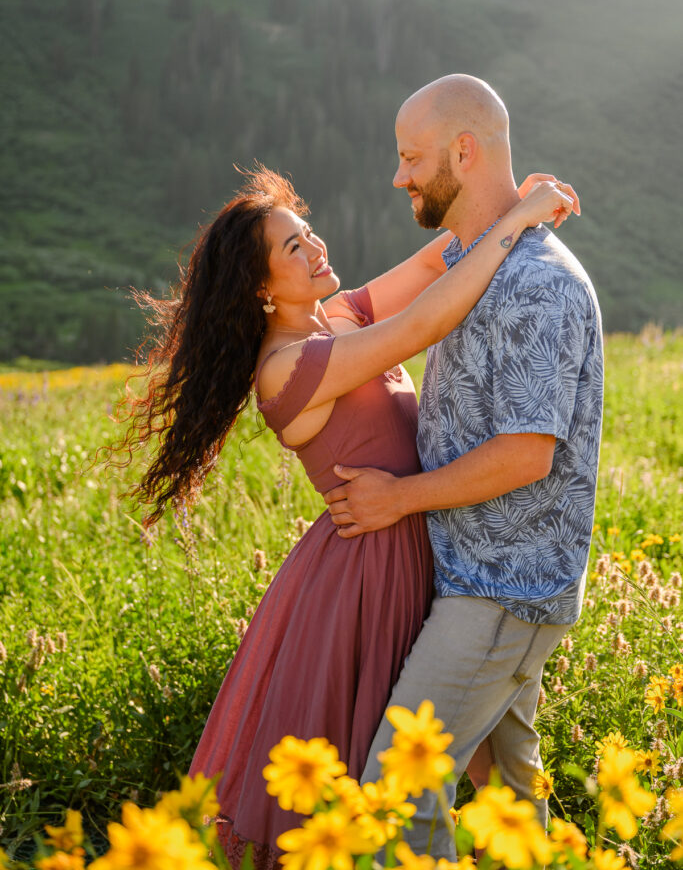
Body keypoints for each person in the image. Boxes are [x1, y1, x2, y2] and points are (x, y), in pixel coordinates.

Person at [122, 163, 575, 869]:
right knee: (371, 769)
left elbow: (433, 260)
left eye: (308, 234)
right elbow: (427, 319)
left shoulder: (339, 316)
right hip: (366, 573)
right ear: (259, 288)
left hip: (417, 540)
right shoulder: (286, 365)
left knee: (484, 756)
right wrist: (518, 222)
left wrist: (508, 198)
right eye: (292, 250)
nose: (315, 249)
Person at [323, 74, 604, 858]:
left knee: (396, 794)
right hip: (483, 577)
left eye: (410, 158)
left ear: (463, 150)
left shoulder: (534, 285)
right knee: (513, 806)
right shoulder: (485, 258)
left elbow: (525, 454)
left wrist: (398, 499)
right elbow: (359, 311)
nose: (398, 176)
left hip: (500, 588)